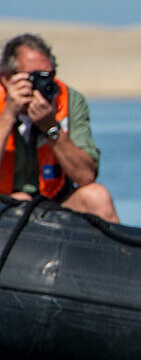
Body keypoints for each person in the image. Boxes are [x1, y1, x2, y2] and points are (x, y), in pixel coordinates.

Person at [0, 34, 119, 222]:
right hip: (6, 207)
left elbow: (85, 176)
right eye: (33, 77)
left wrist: (51, 128)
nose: (41, 85)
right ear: (7, 78)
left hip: (55, 202)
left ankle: (117, 251)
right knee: (20, 201)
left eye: (48, 76)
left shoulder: (69, 101)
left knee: (97, 196)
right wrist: (8, 114)